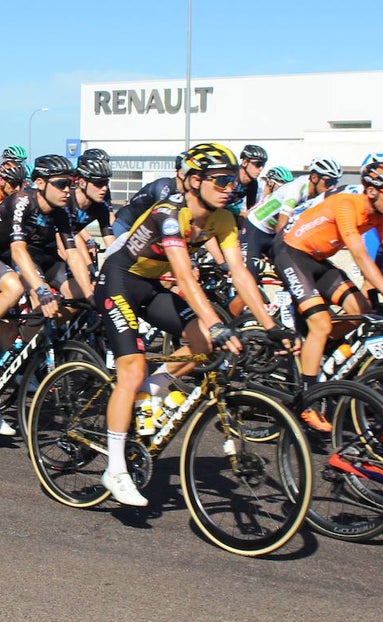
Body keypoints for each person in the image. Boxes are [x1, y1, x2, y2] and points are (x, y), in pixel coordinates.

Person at [95, 142, 295, 505]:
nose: (229, 188)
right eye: (220, 180)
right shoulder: (170, 214)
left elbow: (241, 274)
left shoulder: (224, 218)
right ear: (192, 180)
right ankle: (116, 468)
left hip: (151, 283)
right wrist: (217, 323)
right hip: (120, 278)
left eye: (232, 181)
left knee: (203, 341)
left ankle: (157, 384)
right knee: (132, 367)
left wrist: (271, 325)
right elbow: (186, 278)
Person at [0, 154, 95, 435]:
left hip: (11, 258)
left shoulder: (60, 209)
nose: (67, 189)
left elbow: (72, 253)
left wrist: (92, 293)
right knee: (15, 287)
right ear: (40, 183)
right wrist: (42, 290)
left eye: (71, 183)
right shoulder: (22, 201)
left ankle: (4, 381)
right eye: (61, 184)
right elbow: (19, 251)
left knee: (75, 296)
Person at [274, 162, 383, 431]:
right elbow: (359, 253)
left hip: (318, 261)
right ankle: (307, 402)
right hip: (293, 255)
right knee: (321, 323)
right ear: (371, 191)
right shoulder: (347, 205)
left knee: (362, 309)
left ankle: (316, 347)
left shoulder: (380, 214)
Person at [242, 157, 341, 278]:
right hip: (255, 230)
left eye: (335, 182)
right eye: (329, 182)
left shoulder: (319, 196)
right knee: (250, 281)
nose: (332, 187)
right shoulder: (296, 189)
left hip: (272, 235)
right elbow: (281, 226)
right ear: (314, 178)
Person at [111, 152, 186, 237]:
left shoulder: (187, 193)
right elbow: (161, 218)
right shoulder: (164, 186)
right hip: (126, 224)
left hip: (142, 230)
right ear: (181, 173)